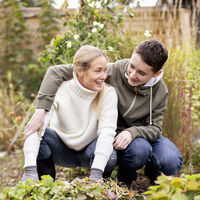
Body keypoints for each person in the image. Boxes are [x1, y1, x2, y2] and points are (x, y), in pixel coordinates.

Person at [24, 39, 183, 187]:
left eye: (141, 73)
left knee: (170, 160)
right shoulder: (113, 70)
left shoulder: (160, 91)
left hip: (142, 133)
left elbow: (155, 128)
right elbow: (56, 72)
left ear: (156, 74)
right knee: (139, 150)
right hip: (117, 136)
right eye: (132, 66)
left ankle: (155, 186)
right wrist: (40, 111)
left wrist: (132, 132)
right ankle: (124, 180)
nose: (132, 75)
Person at [22, 45, 118, 182]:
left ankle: (99, 185)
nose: (104, 76)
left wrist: (96, 174)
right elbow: (36, 127)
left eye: (105, 70)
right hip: (61, 149)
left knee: (111, 156)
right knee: (38, 133)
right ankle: (43, 185)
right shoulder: (60, 88)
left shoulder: (108, 93)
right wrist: (29, 169)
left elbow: (107, 133)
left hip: (90, 151)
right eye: (98, 71)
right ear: (80, 71)